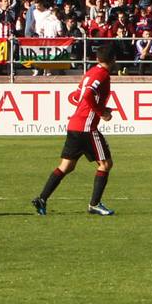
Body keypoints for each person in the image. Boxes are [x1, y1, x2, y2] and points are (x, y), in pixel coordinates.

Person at [32, 45, 118, 217]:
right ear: (113, 60)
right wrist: (101, 112)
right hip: (87, 128)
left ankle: (42, 199)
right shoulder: (102, 75)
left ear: (97, 59)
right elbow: (86, 96)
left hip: (75, 125)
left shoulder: (90, 72)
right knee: (106, 164)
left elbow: (76, 96)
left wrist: (99, 107)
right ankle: (94, 204)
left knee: (66, 166)